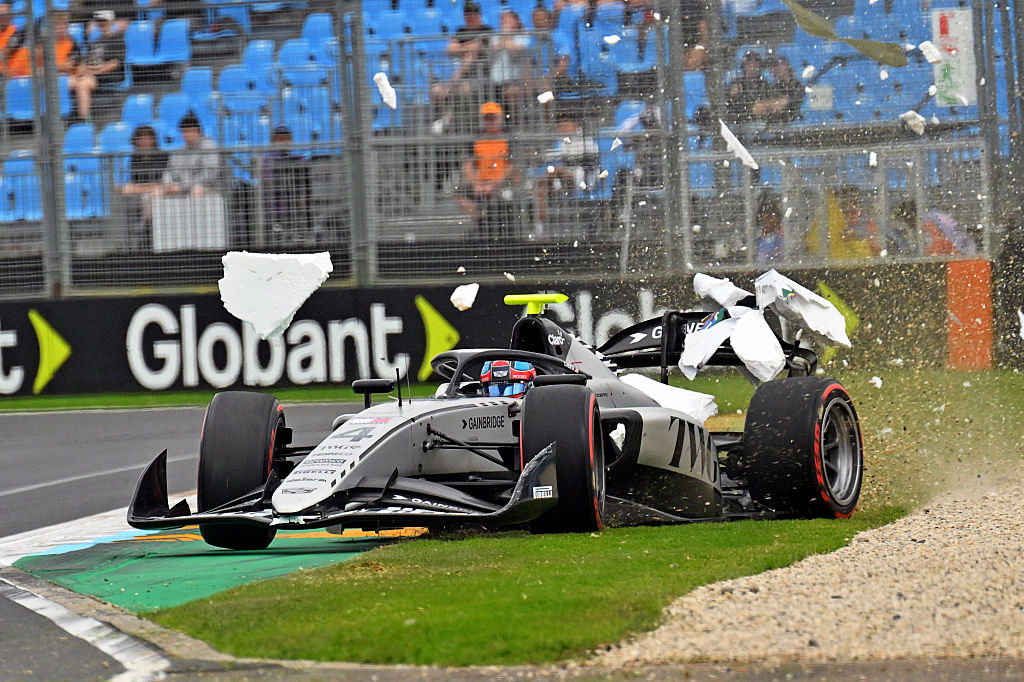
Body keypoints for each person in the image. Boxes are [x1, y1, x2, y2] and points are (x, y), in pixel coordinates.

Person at [430, 0, 495, 135]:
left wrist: (463, 49)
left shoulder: (487, 30)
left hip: (482, 77)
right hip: (460, 77)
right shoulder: (461, 31)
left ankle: (455, 120)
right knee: (436, 91)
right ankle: (444, 117)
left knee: (465, 79)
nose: (470, 18)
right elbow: (450, 50)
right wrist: (469, 46)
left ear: (479, 15)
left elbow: (476, 49)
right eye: (468, 15)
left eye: (473, 15)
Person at [456, 101, 518, 239]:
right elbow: (468, 164)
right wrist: (475, 184)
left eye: (493, 117)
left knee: (499, 197)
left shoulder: (508, 138)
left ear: (500, 118)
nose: (490, 121)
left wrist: (495, 183)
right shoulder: (477, 138)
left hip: (503, 183)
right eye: (487, 118)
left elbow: (512, 166)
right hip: (482, 183)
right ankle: (480, 222)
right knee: (460, 193)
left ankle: (499, 230)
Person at [535, 114, 599, 233]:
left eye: (564, 125)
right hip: (568, 178)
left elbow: (590, 164)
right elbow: (557, 155)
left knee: (558, 171)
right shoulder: (564, 142)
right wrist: (542, 157)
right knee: (542, 184)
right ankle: (540, 227)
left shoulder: (586, 140)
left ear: (574, 125)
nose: (561, 128)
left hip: (586, 178)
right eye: (560, 126)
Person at [68, 10, 125, 121]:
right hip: (90, 73)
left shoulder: (117, 39)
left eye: (104, 21)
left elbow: (114, 64)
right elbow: (85, 61)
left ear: (111, 22)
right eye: (99, 22)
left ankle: (82, 120)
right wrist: (81, 70)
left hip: (107, 75)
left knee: (83, 84)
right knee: (67, 81)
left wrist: (93, 71)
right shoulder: (94, 42)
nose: (102, 24)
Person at [262, 125, 313, 245]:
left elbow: (305, 183)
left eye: (286, 138)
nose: (284, 142)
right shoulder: (267, 160)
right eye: (280, 139)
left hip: (294, 210)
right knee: (277, 238)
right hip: (275, 210)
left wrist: (301, 197)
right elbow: (267, 182)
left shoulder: (299, 160)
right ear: (273, 142)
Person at [4, 12, 80, 78]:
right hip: (43, 77)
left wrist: (49, 67)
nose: (60, 27)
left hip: (64, 79)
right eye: (57, 24)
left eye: (62, 24)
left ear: (67, 26)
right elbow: (39, 63)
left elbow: (68, 66)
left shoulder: (73, 44)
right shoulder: (45, 43)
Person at [163, 111, 220, 197]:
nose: (187, 135)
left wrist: (182, 187)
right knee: (156, 193)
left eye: (190, 131)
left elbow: (209, 174)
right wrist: (169, 184)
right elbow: (169, 171)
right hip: (180, 187)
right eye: (184, 132)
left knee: (196, 191)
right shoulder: (179, 151)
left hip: (206, 188)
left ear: (199, 131)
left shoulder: (208, 146)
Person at [120, 124, 168, 226]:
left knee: (150, 195)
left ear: (154, 140)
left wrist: (139, 187)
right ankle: (128, 228)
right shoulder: (135, 157)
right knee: (125, 189)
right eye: (141, 138)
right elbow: (134, 180)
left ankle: (145, 227)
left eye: (148, 138)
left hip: (159, 188)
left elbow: (160, 181)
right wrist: (138, 187)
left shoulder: (162, 155)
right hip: (143, 187)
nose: (144, 141)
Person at [489, 10, 531, 126]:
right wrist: (506, 40)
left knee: (512, 94)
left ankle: (518, 126)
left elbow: (515, 53)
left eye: (507, 20)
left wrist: (506, 38)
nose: (504, 23)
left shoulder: (523, 36)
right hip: (495, 82)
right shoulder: (495, 37)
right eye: (502, 20)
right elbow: (493, 50)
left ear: (517, 22)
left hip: (514, 81)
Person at [755, 190, 784, 263]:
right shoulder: (757, 241)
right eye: (766, 218)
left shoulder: (781, 240)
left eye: (772, 217)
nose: (769, 221)